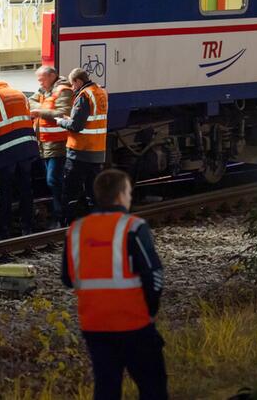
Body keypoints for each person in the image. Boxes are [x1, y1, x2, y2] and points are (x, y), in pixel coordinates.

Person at [62, 169, 168, 400]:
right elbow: (154, 275)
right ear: (121, 196)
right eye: (129, 192)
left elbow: (68, 279)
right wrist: (151, 311)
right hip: (134, 324)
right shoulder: (133, 227)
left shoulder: (76, 230)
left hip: (94, 326)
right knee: (153, 386)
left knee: (106, 388)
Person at [0, 73, 40, 237]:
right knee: (26, 187)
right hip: (27, 146)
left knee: (6, 190)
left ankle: (4, 229)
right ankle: (27, 225)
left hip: (7, 149)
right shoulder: (19, 93)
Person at [56, 68, 108, 226]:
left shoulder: (84, 96)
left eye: (72, 85)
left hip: (80, 152)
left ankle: (66, 224)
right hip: (97, 150)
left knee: (71, 190)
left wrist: (61, 121)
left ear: (78, 81)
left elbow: (76, 126)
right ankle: (97, 223)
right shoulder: (101, 92)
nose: (72, 88)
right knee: (94, 191)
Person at [29, 66, 74, 228]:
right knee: (52, 180)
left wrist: (40, 112)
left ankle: (61, 215)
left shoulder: (63, 90)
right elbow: (31, 101)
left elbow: (63, 112)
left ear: (52, 76)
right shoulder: (44, 90)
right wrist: (42, 109)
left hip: (59, 144)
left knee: (53, 180)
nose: (39, 82)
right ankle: (61, 214)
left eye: (42, 79)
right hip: (45, 144)